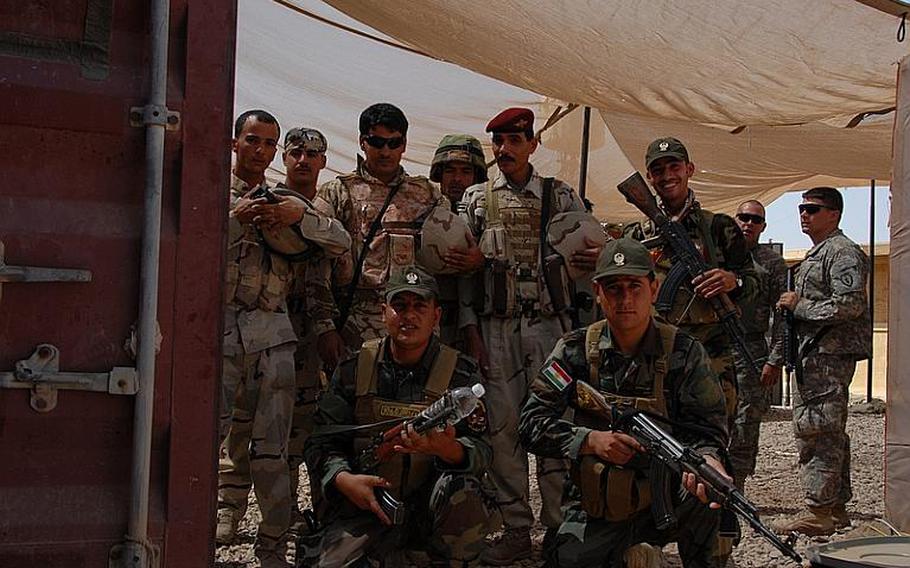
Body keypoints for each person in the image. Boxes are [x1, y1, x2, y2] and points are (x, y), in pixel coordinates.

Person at [520, 237, 730, 568]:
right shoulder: (574, 350)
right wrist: (589, 440)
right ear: (598, 292)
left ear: (654, 289)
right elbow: (530, 423)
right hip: (598, 503)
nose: (625, 298)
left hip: (668, 499)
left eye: (634, 286)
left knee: (711, 495)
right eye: (614, 288)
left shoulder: (684, 352)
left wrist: (708, 459)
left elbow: (711, 429)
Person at [460, 107, 600, 564]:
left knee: (554, 422)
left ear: (533, 144)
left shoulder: (560, 196)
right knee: (503, 430)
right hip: (497, 328)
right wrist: (471, 332)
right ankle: (517, 528)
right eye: (498, 141)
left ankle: (559, 528)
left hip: (549, 328)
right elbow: (463, 272)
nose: (506, 149)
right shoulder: (477, 200)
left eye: (515, 140)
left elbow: (590, 254)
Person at [218, 111, 350, 567]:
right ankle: (197, 529)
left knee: (273, 450)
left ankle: (273, 545)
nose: (260, 149)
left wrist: (298, 215)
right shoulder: (210, 191)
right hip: (218, 330)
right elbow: (184, 242)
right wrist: (236, 218)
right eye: (252, 140)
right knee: (207, 437)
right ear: (234, 143)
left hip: (274, 334)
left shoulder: (289, 201)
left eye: (268, 143)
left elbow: (339, 240)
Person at [300, 266, 497, 567]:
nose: (409, 316)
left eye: (420, 306)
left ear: (437, 317)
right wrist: (343, 479)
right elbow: (320, 442)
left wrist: (447, 450)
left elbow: (484, 451)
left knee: (466, 493)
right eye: (400, 306)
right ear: (384, 313)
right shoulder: (355, 369)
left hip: (432, 508)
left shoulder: (460, 373)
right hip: (367, 505)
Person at [314, 103, 446, 372]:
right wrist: (325, 327)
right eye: (377, 142)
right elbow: (317, 266)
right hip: (356, 323)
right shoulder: (338, 193)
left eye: (393, 143)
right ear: (363, 142)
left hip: (414, 320)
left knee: (418, 402)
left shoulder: (429, 195)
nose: (386, 151)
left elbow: (449, 253)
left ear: (404, 144)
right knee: (358, 404)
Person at [771, 187, 871, 536]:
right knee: (827, 430)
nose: (803, 214)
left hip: (827, 356)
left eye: (812, 209)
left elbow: (849, 306)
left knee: (817, 430)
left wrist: (799, 306)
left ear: (834, 214)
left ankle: (818, 511)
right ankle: (835, 506)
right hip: (814, 354)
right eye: (801, 208)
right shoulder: (821, 252)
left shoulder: (842, 253)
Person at [728, 200, 788, 491]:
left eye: (756, 219)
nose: (748, 223)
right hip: (714, 347)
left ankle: (736, 485)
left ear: (763, 226)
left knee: (746, 419)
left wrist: (775, 358)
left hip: (751, 349)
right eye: (743, 217)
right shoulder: (717, 256)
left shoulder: (771, 263)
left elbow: (783, 314)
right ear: (734, 220)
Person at [428, 134, 487, 359]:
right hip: (435, 319)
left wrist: (482, 261)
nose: (457, 179)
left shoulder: (489, 213)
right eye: (450, 171)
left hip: (477, 322)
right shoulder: (425, 212)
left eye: (466, 172)